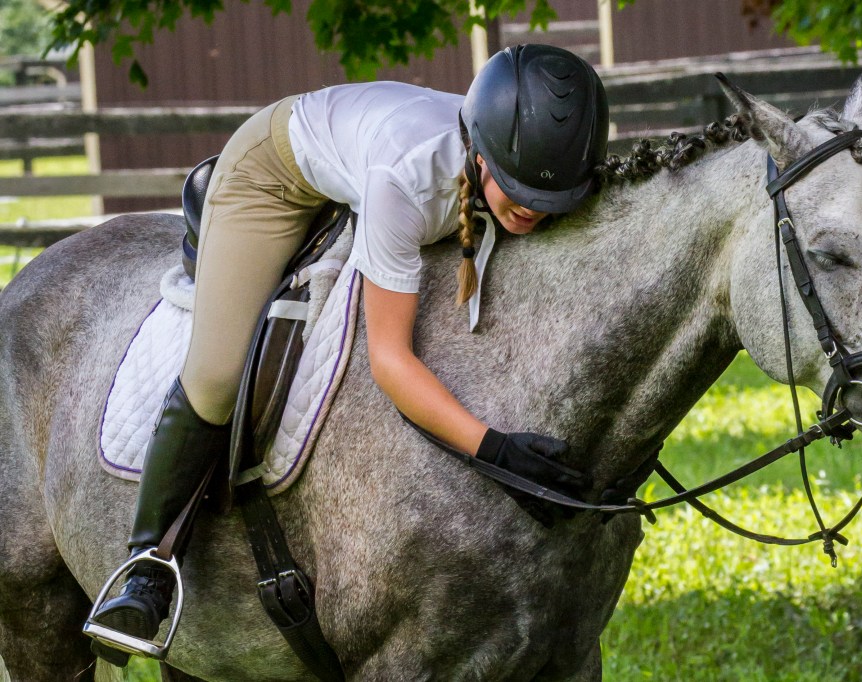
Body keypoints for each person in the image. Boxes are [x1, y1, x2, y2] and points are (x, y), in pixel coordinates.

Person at [84, 44, 609, 665]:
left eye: (548, 201)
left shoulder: (537, 165)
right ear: (478, 150)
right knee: (219, 373)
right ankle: (146, 566)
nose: (530, 210)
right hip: (273, 175)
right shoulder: (407, 181)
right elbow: (389, 360)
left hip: (366, 152)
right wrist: (496, 449)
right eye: (515, 190)